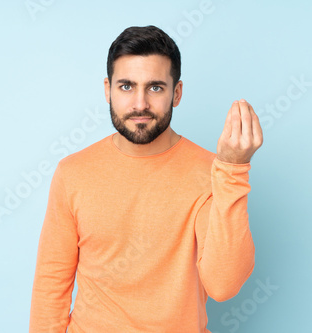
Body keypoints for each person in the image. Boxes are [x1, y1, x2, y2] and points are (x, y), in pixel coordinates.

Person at [29, 25, 263, 333]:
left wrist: (234, 168)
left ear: (176, 93)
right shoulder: (73, 172)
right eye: (126, 86)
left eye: (155, 88)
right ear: (107, 89)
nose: (140, 104)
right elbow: (51, 284)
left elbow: (224, 286)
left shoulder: (212, 172)